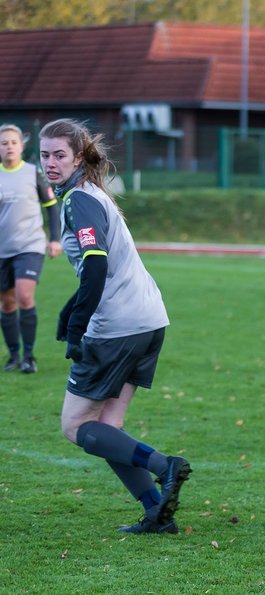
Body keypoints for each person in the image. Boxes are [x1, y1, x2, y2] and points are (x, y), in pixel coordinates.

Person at [39, 118, 190, 533]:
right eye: (45, 155)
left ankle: (166, 465)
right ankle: (157, 512)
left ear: (77, 157)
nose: (50, 163)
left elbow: (97, 264)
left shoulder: (78, 201)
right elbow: (104, 267)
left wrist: (77, 328)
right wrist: (71, 309)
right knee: (108, 427)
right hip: (150, 319)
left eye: (59, 155)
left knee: (76, 427)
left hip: (119, 326)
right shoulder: (89, 193)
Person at [0, 123, 62, 374]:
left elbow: (51, 206)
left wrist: (55, 238)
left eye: (14, 142)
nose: (9, 147)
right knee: (7, 304)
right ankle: (13, 355)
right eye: (4, 143)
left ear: (22, 146)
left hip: (30, 246)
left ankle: (29, 356)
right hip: (2, 250)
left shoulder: (33, 172)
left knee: (25, 296)